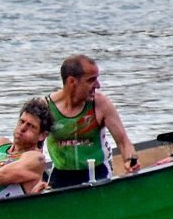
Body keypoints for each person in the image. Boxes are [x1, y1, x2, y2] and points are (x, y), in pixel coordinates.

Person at [46, 54, 141, 188]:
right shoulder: (46, 107)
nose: (98, 85)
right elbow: (32, 148)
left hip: (97, 172)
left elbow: (123, 142)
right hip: (60, 175)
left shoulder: (100, 103)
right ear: (72, 82)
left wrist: (130, 160)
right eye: (91, 80)